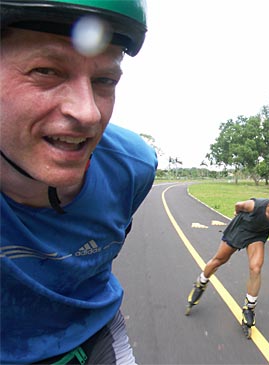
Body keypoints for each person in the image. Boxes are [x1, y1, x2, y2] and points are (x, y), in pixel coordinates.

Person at [0, 1, 157, 364]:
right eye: (46, 70)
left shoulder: (132, 168)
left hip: (91, 336)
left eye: (105, 80)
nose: (88, 113)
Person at [185, 182, 269, 332]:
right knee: (219, 261)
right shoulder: (255, 205)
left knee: (256, 268)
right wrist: (237, 213)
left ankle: (249, 307)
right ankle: (201, 282)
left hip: (257, 235)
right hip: (240, 229)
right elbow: (238, 205)